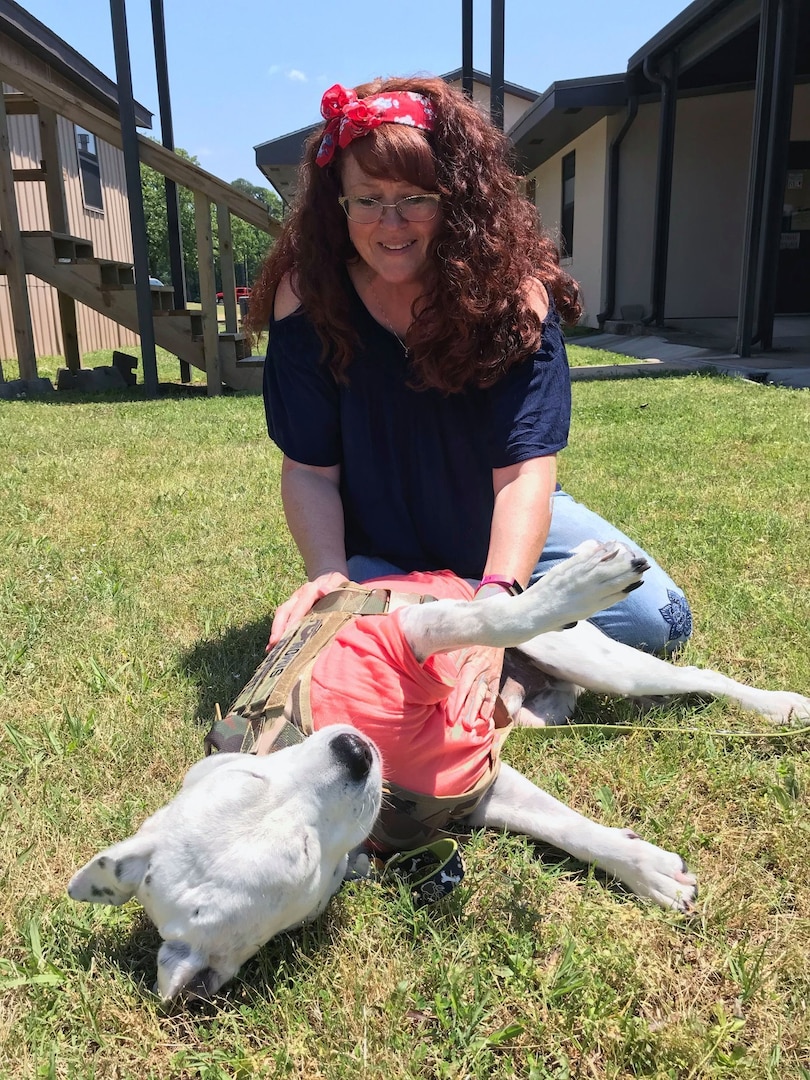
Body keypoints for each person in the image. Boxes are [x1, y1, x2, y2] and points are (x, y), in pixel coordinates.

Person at [246, 76, 692, 657]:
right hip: (381, 544)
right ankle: (465, 630)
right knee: (352, 639)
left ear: (456, 196)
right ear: (339, 205)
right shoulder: (308, 297)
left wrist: (500, 598)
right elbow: (308, 469)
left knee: (656, 620)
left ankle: (474, 620)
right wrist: (329, 576)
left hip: (500, 520)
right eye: (367, 199)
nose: (391, 222)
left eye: (416, 197)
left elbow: (524, 472)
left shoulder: (515, 298)